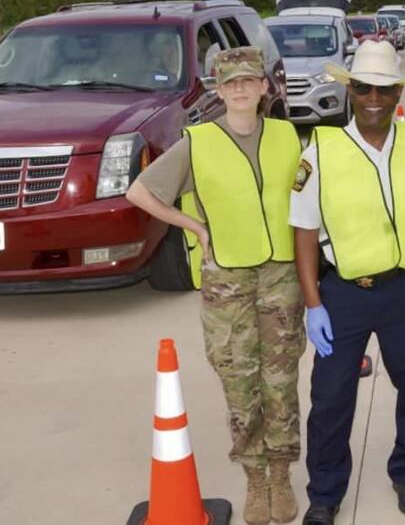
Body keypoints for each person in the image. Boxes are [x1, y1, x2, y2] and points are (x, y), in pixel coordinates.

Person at [126, 46, 304, 525]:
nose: (241, 89)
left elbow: (310, 197)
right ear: (218, 91)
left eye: (250, 80)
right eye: (230, 83)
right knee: (240, 383)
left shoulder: (289, 136)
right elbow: (140, 192)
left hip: (281, 276)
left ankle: (283, 472)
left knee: (281, 382)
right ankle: (255, 477)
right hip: (227, 281)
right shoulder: (197, 142)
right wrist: (195, 227)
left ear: (266, 86)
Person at [291, 40, 405, 525]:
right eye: (364, 88)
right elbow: (302, 233)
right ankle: (324, 493)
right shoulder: (320, 151)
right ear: (351, 91)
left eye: (384, 88)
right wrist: (312, 302)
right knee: (332, 397)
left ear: (398, 94)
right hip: (345, 294)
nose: (374, 98)